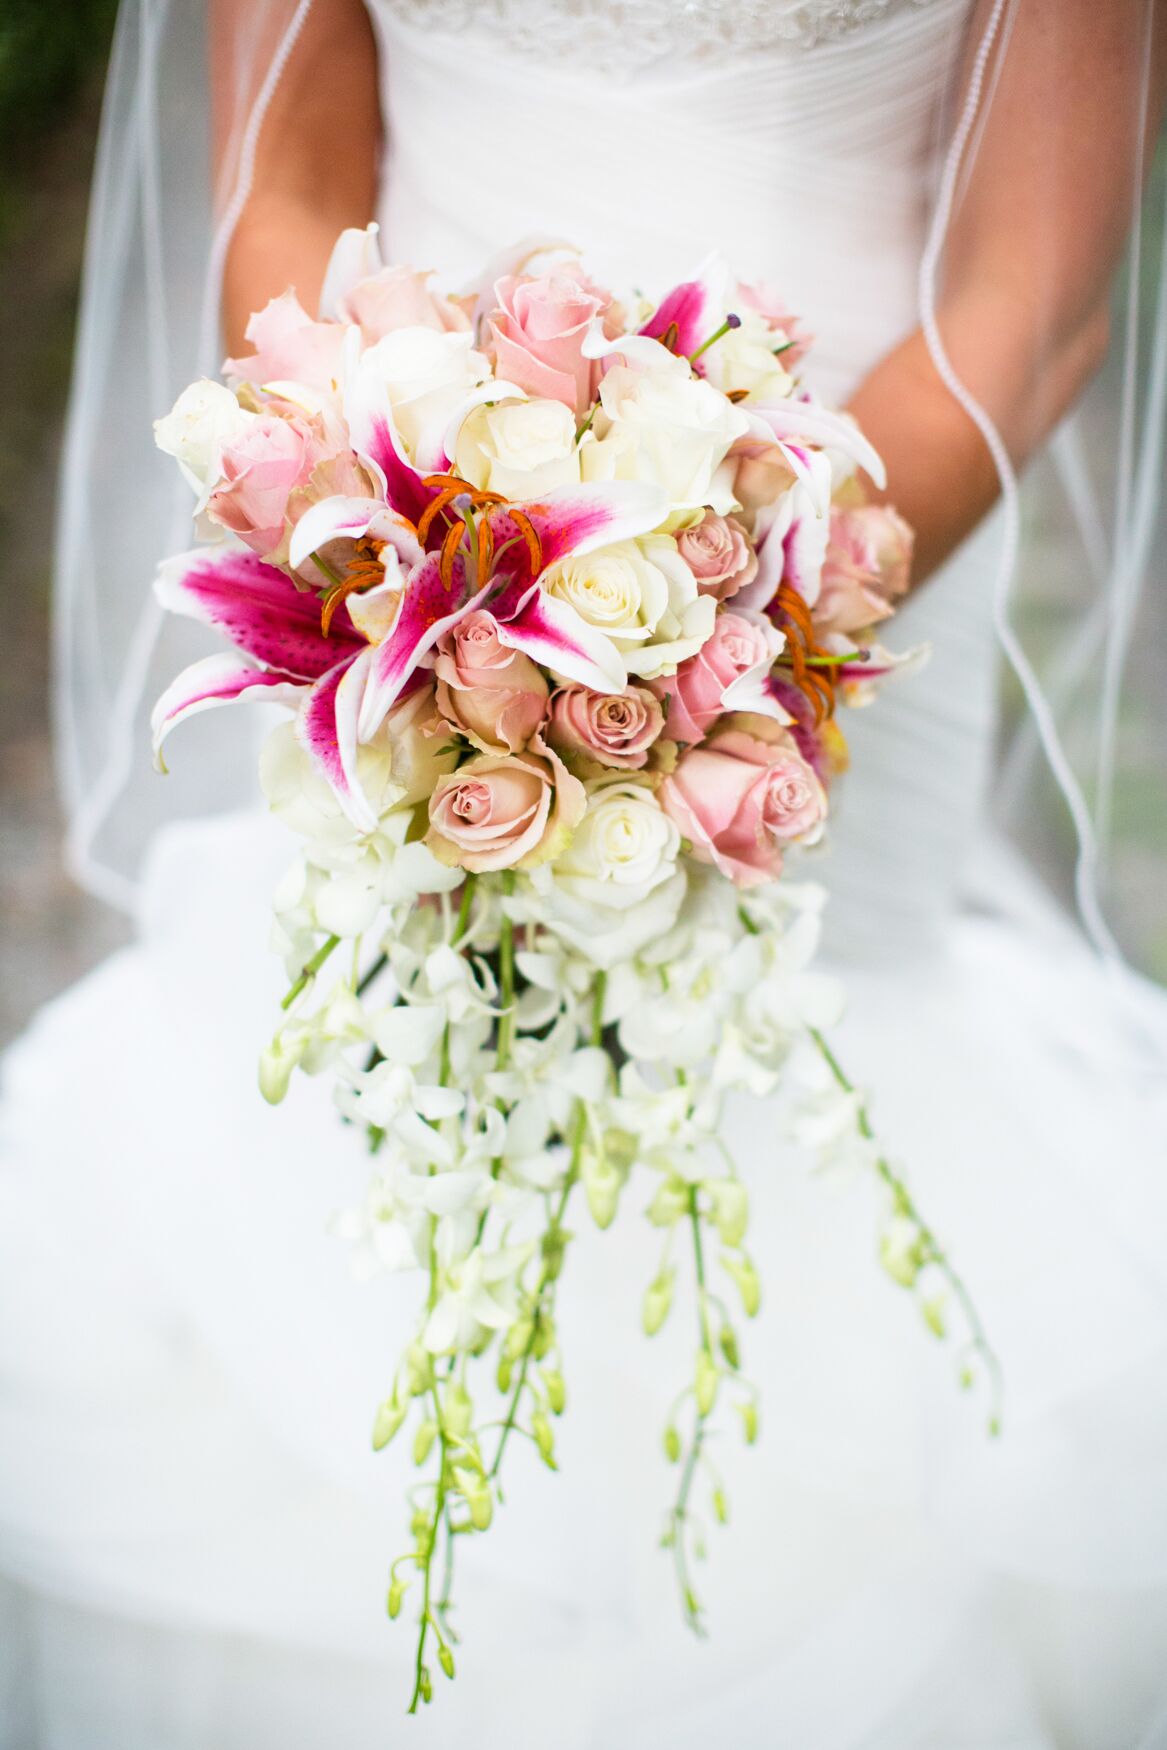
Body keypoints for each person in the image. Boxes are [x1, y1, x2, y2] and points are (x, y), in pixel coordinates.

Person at [2, 2, 1166, 1744]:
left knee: (820, 1086)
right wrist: (378, 526)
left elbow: (1033, 293)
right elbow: (287, 163)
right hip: (403, 547)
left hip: (855, 537)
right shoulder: (389, 539)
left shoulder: (802, 583)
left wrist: (731, 625)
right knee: (370, 1125)